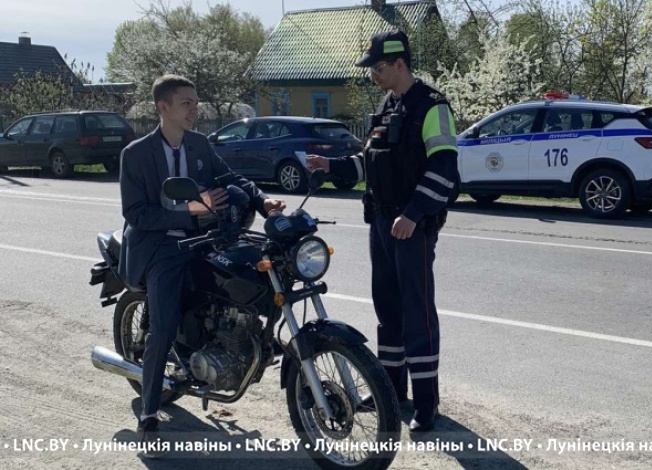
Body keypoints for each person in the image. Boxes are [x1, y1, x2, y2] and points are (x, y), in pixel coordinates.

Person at [118, 74, 285, 456]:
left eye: (195, 102)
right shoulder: (136, 154)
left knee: (252, 277)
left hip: (206, 239)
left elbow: (229, 176)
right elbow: (136, 213)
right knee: (162, 326)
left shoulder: (198, 144)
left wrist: (263, 202)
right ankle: (147, 414)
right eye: (186, 103)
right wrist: (185, 209)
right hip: (161, 247)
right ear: (163, 107)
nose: (195, 109)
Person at [307, 30, 458, 433]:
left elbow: (445, 171)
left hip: (413, 226)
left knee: (416, 313)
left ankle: (427, 404)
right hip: (381, 223)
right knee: (387, 310)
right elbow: (367, 163)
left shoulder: (432, 107)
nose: (373, 74)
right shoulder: (387, 106)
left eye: (377, 67)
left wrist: (412, 214)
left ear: (399, 64)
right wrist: (330, 167)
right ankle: (392, 393)